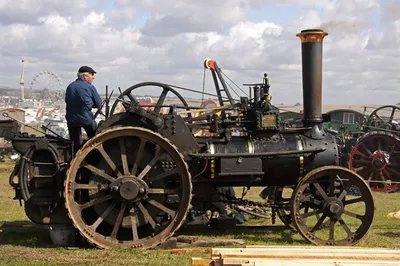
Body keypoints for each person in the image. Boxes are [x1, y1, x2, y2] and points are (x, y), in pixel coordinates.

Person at [65, 66, 102, 152]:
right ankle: (94, 157)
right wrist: (90, 104)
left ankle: (75, 159)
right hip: (86, 119)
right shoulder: (89, 87)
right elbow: (99, 104)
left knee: (75, 144)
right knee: (96, 140)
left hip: (71, 120)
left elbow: (69, 101)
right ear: (85, 76)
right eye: (92, 75)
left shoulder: (70, 86)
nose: (93, 77)